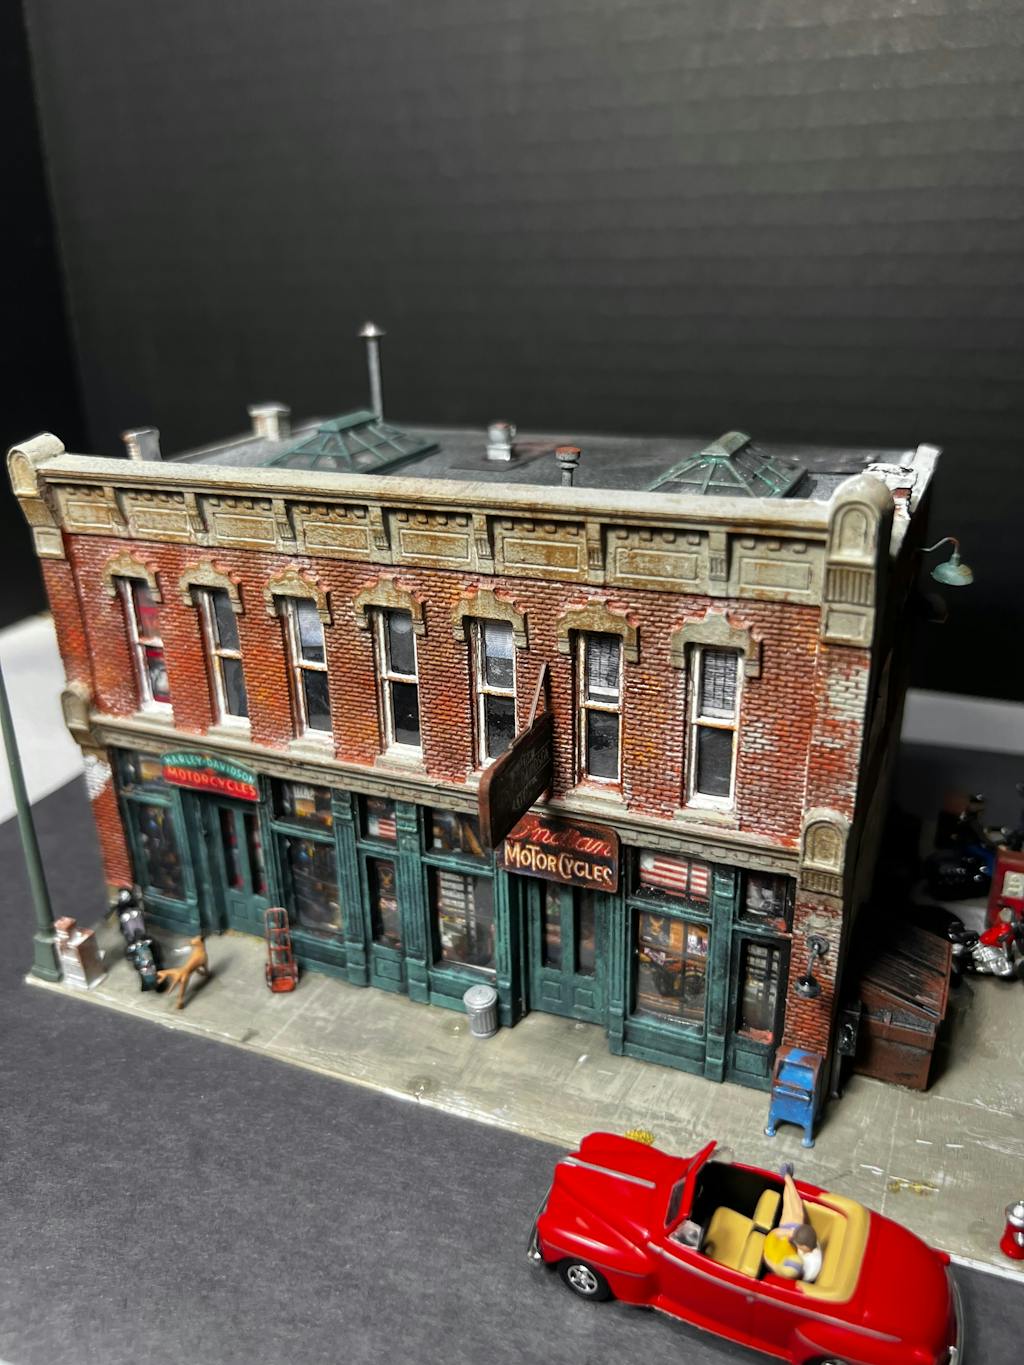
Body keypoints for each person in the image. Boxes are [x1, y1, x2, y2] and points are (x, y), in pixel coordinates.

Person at [763, 1164, 822, 1283]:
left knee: (791, 1205)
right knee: (793, 1207)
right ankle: (787, 1177)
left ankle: (787, 1177)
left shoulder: (803, 1267)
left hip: (787, 1234)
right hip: (791, 1231)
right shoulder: (811, 1252)